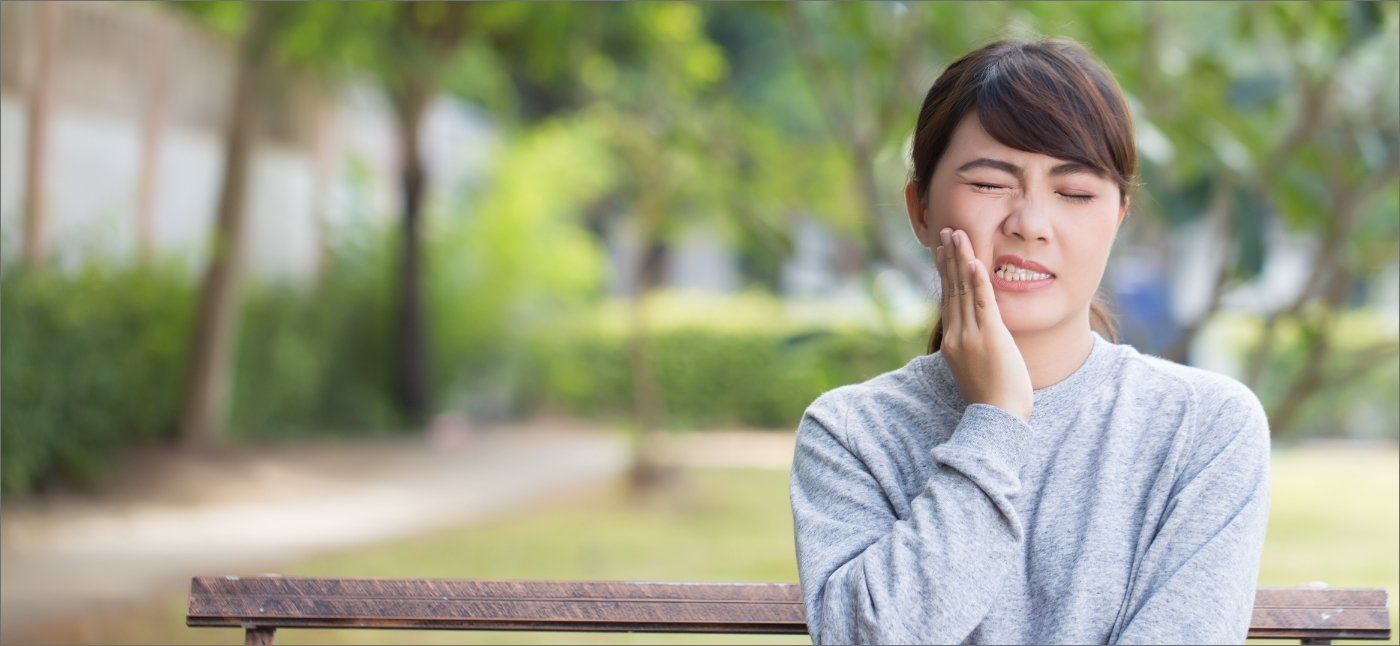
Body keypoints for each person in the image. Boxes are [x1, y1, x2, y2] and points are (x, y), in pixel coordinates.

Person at [788, 37, 1271, 645]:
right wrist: (995, 422)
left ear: (1119, 216)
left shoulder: (1206, 428)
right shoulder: (851, 434)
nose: (1030, 224)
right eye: (991, 184)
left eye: (1074, 193)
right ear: (919, 209)